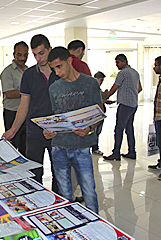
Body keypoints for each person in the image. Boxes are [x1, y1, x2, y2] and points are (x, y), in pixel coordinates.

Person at [44, 47, 103, 213]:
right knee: (64, 194)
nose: (56, 72)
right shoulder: (54, 88)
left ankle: (95, 228)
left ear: (69, 61)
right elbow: (57, 116)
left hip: (82, 147)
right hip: (59, 146)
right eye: (53, 68)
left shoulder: (90, 83)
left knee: (89, 192)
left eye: (59, 66)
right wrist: (49, 130)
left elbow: (99, 113)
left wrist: (89, 128)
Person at [3, 34, 58, 193]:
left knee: (59, 175)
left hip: (57, 133)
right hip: (34, 132)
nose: (38, 58)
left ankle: (57, 207)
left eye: (42, 53)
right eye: (34, 54)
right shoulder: (28, 75)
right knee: (34, 176)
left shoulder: (59, 72)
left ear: (50, 50)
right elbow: (23, 105)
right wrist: (13, 130)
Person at [103, 54, 142, 161]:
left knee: (119, 129)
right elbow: (139, 88)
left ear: (124, 61)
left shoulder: (122, 73)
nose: (117, 65)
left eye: (118, 62)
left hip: (125, 105)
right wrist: (130, 94)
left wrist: (105, 98)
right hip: (133, 104)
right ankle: (132, 152)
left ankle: (116, 153)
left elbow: (114, 88)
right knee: (129, 128)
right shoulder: (135, 72)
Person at [0, 41, 28, 155]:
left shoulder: (28, 71)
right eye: (19, 55)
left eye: (25, 55)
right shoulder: (7, 72)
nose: (22, 58)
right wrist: (27, 92)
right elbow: (9, 94)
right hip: (12, 113)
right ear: (14, 55)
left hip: (26, 113)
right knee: (12, 146)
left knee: (25, 146)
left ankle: (26, 171)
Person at [91, 71, 107, 155]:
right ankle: (94, 148)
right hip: (95, 113)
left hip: (100, 113)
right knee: (95, 131)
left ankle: (95, 147)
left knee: (97, 131)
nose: (101, 82)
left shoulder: (97, 88)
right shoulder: (92, 88)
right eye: (101, 80)